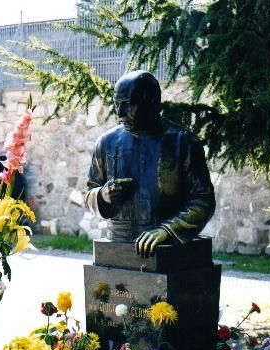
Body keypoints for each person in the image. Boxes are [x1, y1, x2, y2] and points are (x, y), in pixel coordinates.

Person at [85, 70, 215, 257]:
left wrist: (166, 231)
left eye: (127, 105)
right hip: (119, 246)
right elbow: (90, 193)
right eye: (116, 104)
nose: (120, 113)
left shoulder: (183, 143)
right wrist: (103, 195)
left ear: (152, 102)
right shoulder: (106, 143)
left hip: (170, 251)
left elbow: (204, 200)